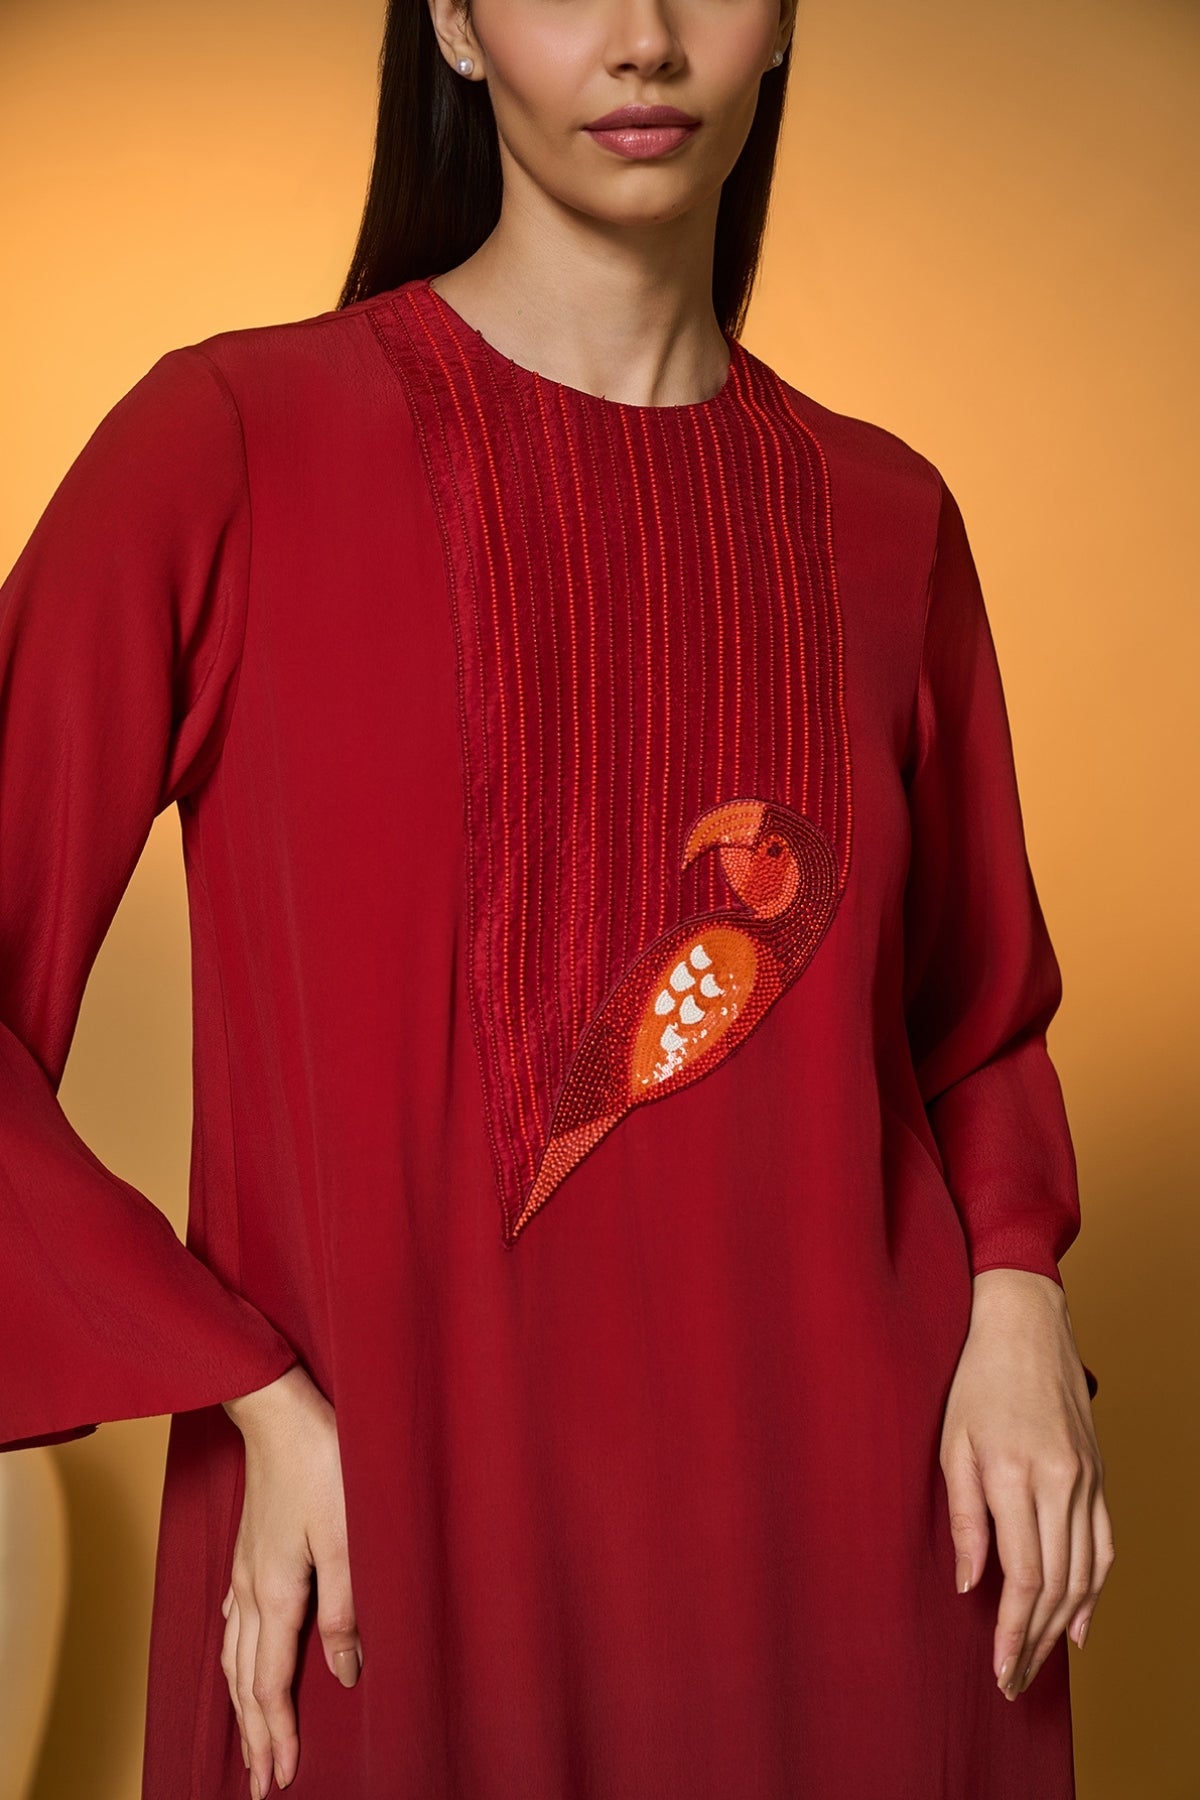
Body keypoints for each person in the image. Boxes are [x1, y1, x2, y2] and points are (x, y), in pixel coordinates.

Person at [0, 0, 1114, 1795]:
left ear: (786, 25)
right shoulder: (228, 444)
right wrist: (245, 1390)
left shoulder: (890, 518)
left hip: (876, 1564)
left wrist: (1018, 1301)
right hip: (387, 1546)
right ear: (451, 21)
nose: (645, 38)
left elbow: (975, 1030)